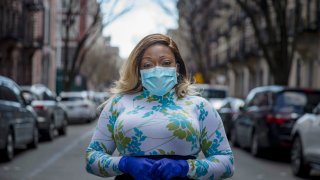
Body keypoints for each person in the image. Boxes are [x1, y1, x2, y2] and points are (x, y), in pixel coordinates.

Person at [85, 33, 234, 180]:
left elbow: (226, 163)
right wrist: (124, 164)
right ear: (138, 71)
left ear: (177, 67)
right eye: (148, 65)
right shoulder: (118, 103)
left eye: (166, 63)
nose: (157, 69)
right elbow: (92, 158)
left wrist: (186, 167)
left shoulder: (200, 106)